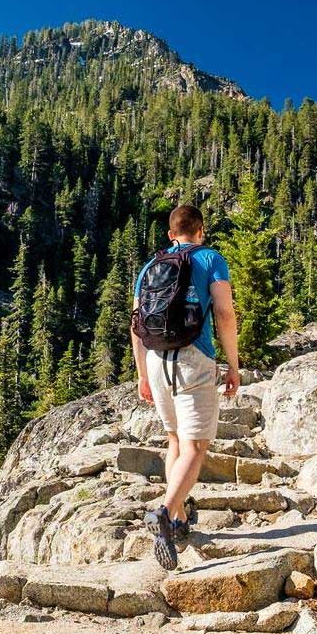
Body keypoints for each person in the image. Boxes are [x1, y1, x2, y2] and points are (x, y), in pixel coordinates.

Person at [131, 203, 241, 569]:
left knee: (175, 440)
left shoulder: (151, 266)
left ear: (170, 233)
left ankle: (177, 520)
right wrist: (233, 366)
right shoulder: (210, 259)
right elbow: (224, 313)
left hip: (156, 359)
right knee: (196, 446)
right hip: (194, 356)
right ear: (201, 230)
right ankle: (165, 512)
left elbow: (136, 325)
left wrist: (143, 375)